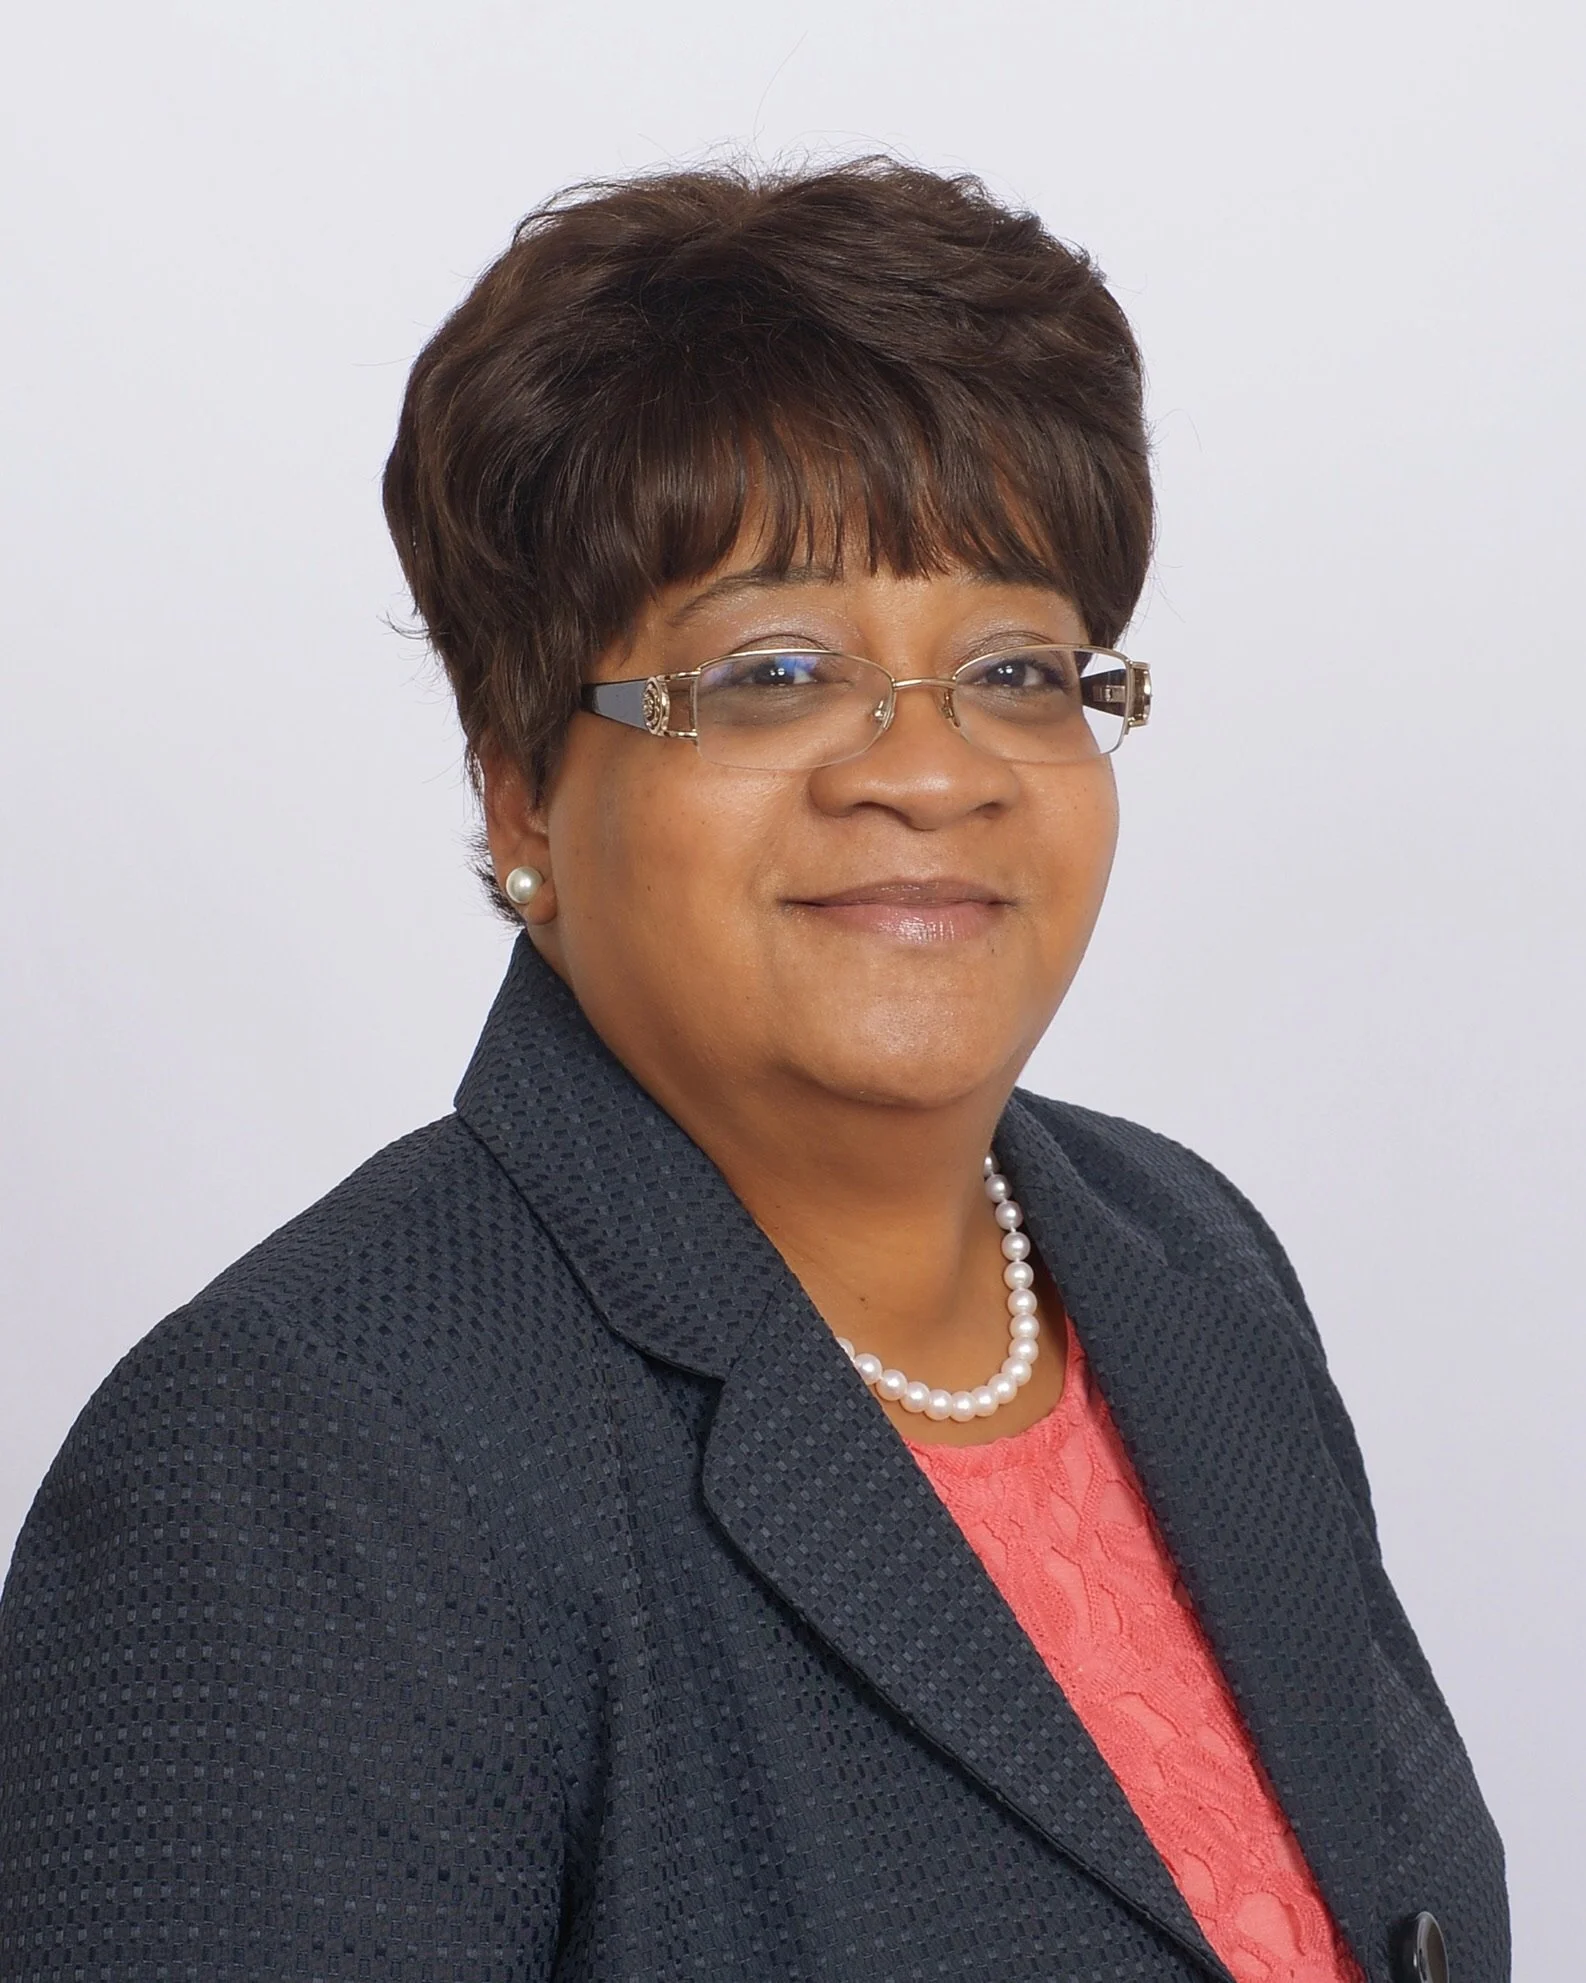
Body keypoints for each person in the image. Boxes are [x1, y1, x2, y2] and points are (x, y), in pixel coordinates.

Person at [0, 159, 1504, 1983]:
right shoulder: (303, 1460)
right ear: (519, 789)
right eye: (778, 669)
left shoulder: (1185, 1256)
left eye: (1018, 666)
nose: (929, 770)